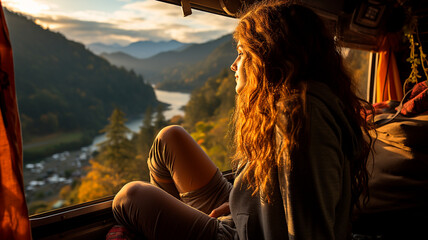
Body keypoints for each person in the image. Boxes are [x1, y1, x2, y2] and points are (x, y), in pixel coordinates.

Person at [112, 1, 373, 239]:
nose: (234, 65)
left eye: (242, 53)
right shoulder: (291, 104)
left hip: (245, 234)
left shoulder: (300, 114)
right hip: (248, 213)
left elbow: (307, 231)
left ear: (270, 58)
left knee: (129, 197)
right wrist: (241, 203)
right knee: (169, 138)